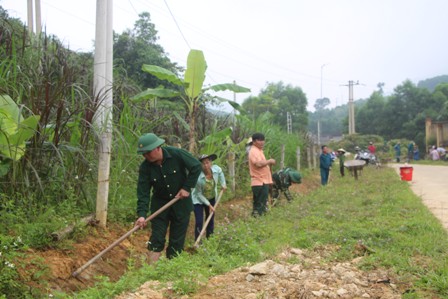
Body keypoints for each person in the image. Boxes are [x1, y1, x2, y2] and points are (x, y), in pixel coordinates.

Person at [134, 133, 202, 263]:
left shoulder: (176, 154)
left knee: (177, 240)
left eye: (148, 152)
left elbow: (196, 166)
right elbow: (143, 192)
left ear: (158, 148)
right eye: (143, 154)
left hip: (181, 204)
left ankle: (172, 271)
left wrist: (186, 188)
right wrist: (142, 215)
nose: (146, 156)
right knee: (156, 239)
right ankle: (151, 273)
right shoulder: (145, 167)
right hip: (160, 206)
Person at [191, 153, 227, 241]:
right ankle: (198, 242)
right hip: (198, 200)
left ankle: (210, 239)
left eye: (207, 162)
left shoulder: (216, 169)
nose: (206, 165)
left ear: (211, 162)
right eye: (203, 163)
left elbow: (221, 173)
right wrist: (209, 205)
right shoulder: (198, 178)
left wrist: (223, 184)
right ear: (200, 165)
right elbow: (199, 194)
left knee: (210, 219)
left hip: (211, 197)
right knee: (199, 221)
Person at [248, 133, 276, 217]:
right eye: (259, 140)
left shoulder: (259, 151)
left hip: (263, 181)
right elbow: (258, 164)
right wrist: (269, 161)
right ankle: (257, 218)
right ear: (254, 141)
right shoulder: (253, 151)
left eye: (263, 140)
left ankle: (259, 218)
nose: (262, 142)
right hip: (258, 181)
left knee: (262, 202)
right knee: (259, 203)